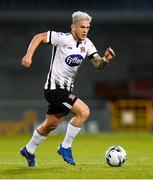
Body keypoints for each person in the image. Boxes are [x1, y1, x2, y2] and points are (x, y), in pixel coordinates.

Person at [20, 11, 115, 167]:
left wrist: (105, 59)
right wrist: (28, 55)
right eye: (82, 27)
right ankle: (65, 147)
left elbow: (98, 64)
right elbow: (39, 37)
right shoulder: (62, 38)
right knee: (84, 112)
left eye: (88, 27)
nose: (85, 30)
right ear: (73, 27)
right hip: (54, 89)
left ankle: (28, 150)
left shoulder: (87, 44)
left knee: (50, 124)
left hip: (66, 91)